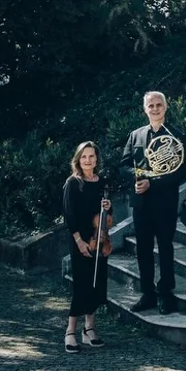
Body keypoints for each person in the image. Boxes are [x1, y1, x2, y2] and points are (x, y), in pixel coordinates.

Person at [119, 91, 186, 315]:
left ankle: (165, 292)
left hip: (165, 202)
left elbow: (180, 172)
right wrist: (140, 176)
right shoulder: (135, 135)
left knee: (165, 248)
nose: (155, 109)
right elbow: (124, 165)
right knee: (144, 249)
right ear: (145, 109)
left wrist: (152, 183)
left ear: (165, 108)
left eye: (159, 105)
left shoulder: (176, 135)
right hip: (141, 202)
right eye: (151, 106)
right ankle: (147, 293)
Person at [62, 141, 112, 352]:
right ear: (78, 159)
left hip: (98, 241)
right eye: (84, 157)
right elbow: (69, 215)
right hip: (80, 240)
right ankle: (70, 331)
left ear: (96, 159)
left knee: (96, 285)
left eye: (91, 156)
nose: (88, 160)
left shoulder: (102, 183)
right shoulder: (73, 183)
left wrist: (109, 208)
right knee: (82, 285)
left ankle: (89, 328)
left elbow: (107, 217)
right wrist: (79, 241)